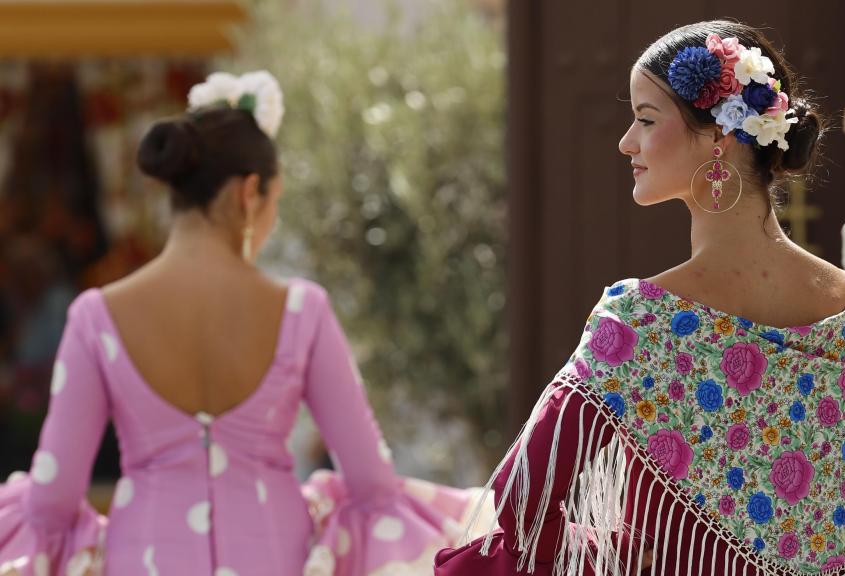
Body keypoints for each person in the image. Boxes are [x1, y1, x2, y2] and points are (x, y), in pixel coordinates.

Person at [436, 21, 845, 576]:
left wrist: (627, 555)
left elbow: (522, 504)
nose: (626, 140)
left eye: (647, 119)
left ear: (719, 140)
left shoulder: (644, 322)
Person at [0, 71, 487, 576]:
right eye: (274, 201)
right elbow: (371, 485)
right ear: (249, 193)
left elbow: (52, 501)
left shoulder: (96, 316)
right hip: (275, 557)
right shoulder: (302, 310)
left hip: (144, 558)